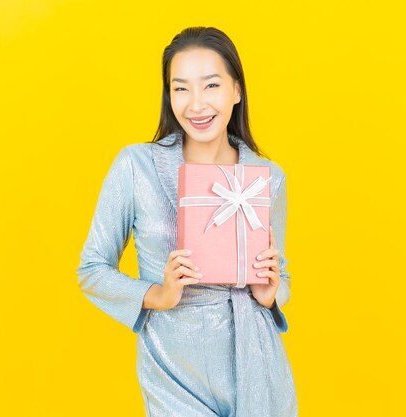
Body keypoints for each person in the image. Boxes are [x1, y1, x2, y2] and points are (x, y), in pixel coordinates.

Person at [76, 26, 298, 417]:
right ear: (169, 95)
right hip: (172, 365)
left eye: (211, 86)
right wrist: (158, 295)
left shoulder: (267, 176)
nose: (196, 104)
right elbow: (92, 269)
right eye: (181, 88)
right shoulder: (136, 166)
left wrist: (271, 293)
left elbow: (280, 276)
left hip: (256, 362)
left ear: (236, 91)